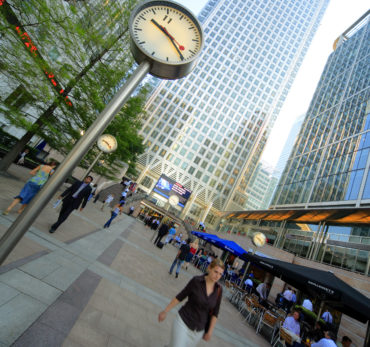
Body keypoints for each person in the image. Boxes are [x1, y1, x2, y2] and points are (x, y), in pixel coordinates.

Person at [159, 259, 225, 346]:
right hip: (183, 322)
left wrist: (210, 331)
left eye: (220, 274)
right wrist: (165, 311)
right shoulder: (196, 281)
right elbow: (181, 296)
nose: (217, 276)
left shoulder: (219, 290)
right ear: (209, 268)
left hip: (198, 331)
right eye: (216, 272)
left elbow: (215, 313)